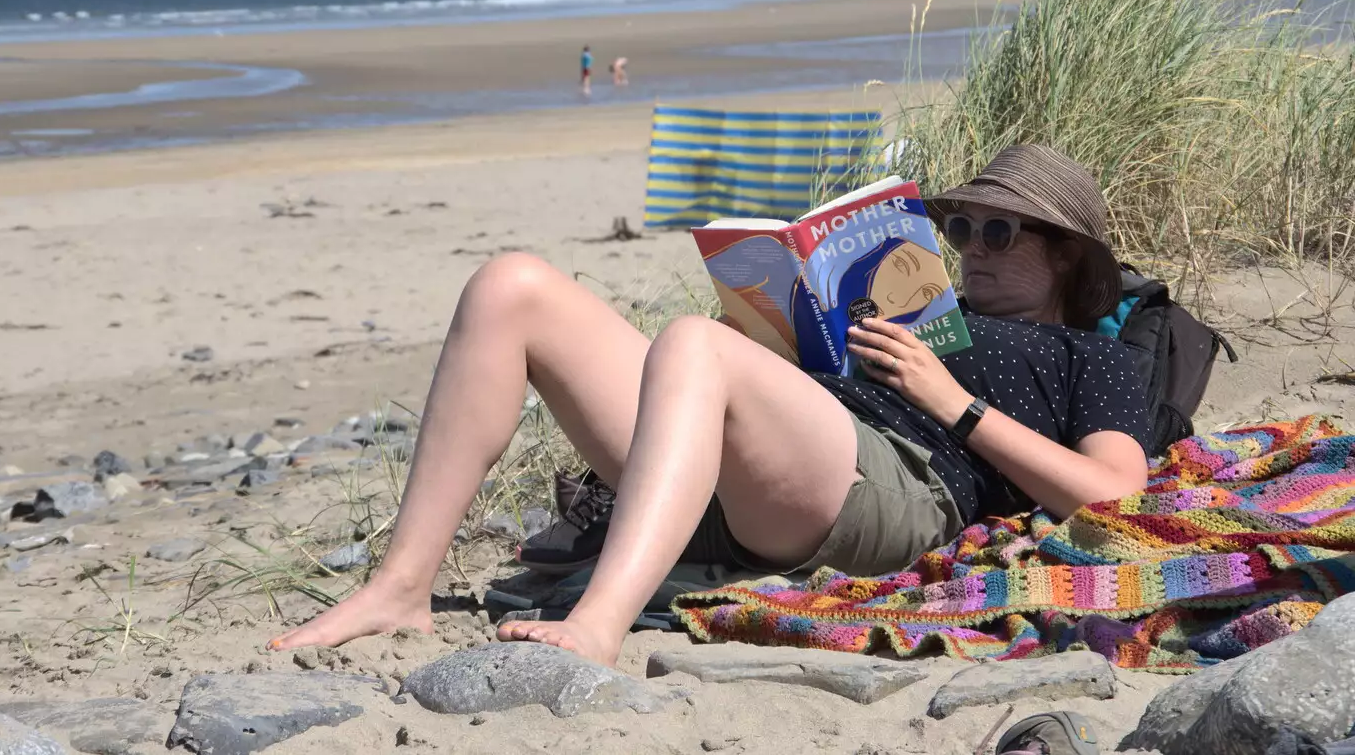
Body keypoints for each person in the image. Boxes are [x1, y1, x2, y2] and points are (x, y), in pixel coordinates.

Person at [267, 144, 1152, 665]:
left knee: (691, 343)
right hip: (774, 445)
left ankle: (598, 628)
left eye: (1000, 231)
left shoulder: (1087, 358)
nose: (974, 249)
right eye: (959, 228)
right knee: (512, 287)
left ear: (1068, 257)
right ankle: (401, 587)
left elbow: (1114, 499)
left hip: (902, 483)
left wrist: (952, 402)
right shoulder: (929, 309)